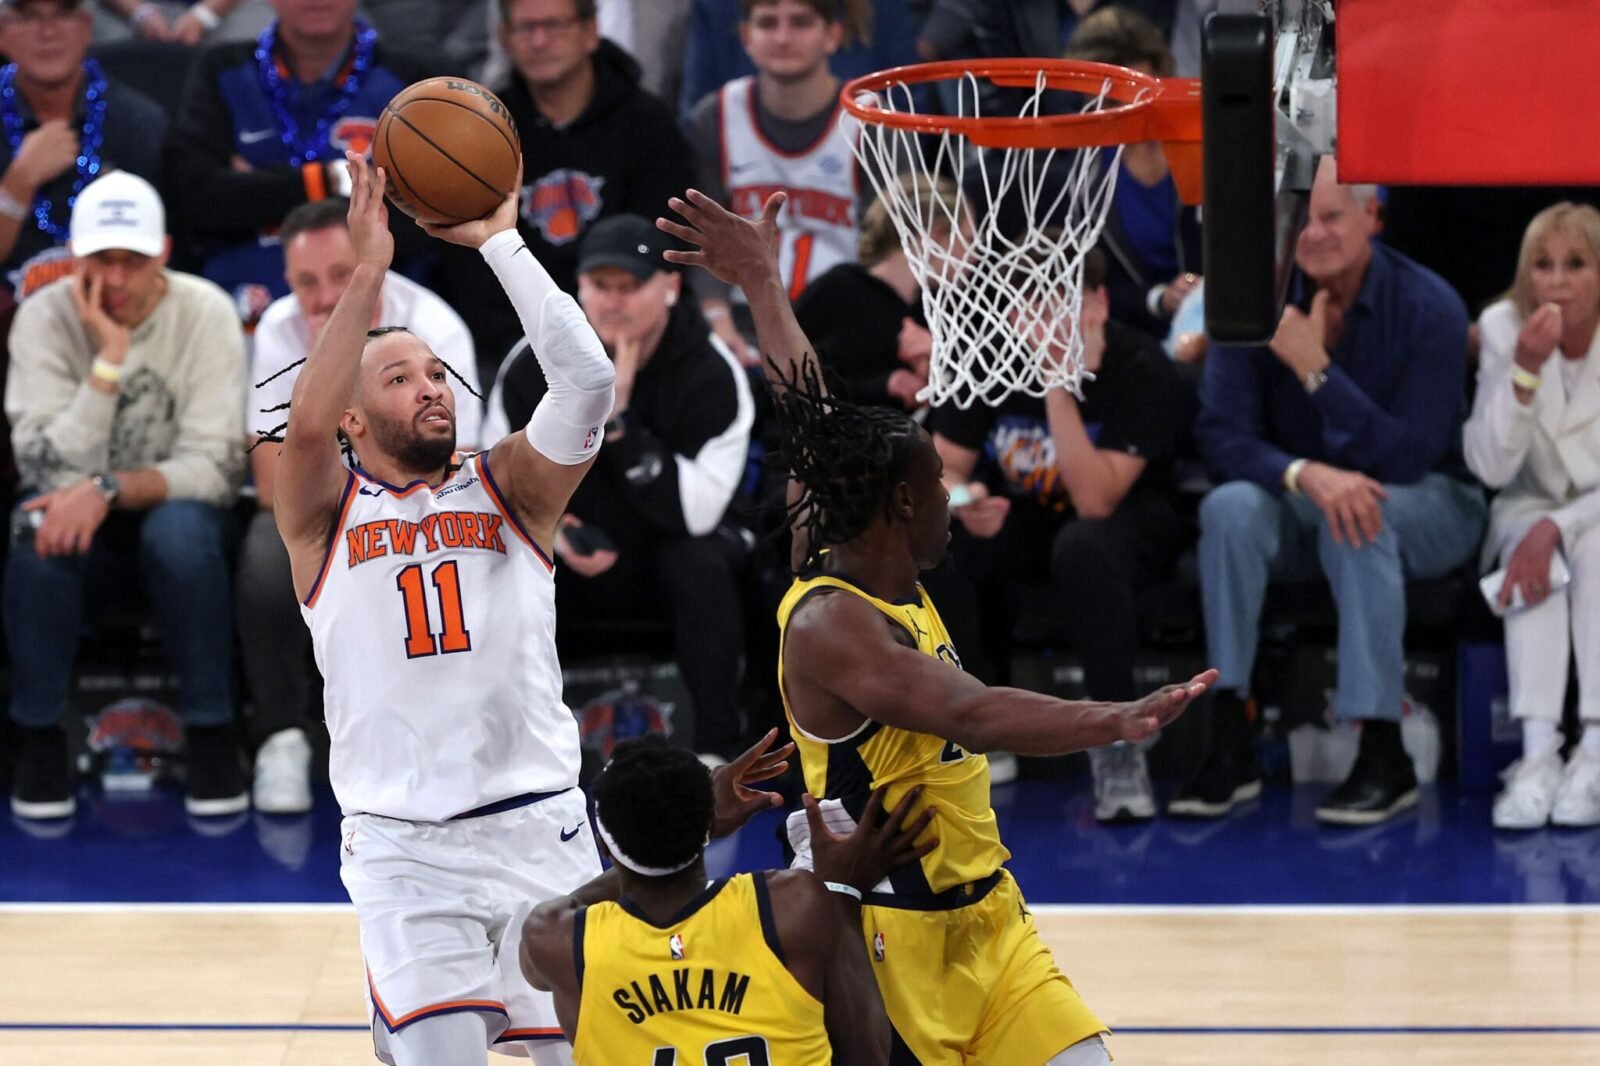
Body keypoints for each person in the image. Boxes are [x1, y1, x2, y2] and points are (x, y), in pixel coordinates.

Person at [659, 186, 1215, 1066]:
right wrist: (1112, 719)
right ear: (903, 505)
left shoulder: (877, 559)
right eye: (938, 485)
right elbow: (972, 713)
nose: (953, 495)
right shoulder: (832, 623)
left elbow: (814, 415)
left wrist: (764, 284)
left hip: (990, 919)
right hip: (886, 938)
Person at [1183, 158, 1487, 826]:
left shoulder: (1430, 306)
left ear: (1372, 217)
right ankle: (1229, 730)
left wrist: (1315, 368)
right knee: (1229, 508)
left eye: (1331, 217)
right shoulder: (1253, 298)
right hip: (1307, 499)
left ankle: (1383, 751)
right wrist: (1305, 474)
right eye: (1302, 220)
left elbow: (1408, 457)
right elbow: (1222, 437)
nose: (1314, 234)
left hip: (1433, 500)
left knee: (1357, 516)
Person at [4, 170, 246, 820]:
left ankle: (213, 731)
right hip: (80, 530)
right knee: (37, 530)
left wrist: (107, 489)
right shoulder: (44, 319)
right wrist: (108, 361)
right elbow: (41, 466)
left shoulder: (205, 313)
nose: (115, 279)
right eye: (100, 260)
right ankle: (37, 736)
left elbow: (217, 468)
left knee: (180, 531)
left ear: (162, 252)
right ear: (73, 256)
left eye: (132, 260)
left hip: (178, 522)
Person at [930, 246, 1192, 822]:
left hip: (1131, 523)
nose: (1041, 323)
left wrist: (1055, 383)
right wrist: (968, 502)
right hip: (1034, 516)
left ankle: (1119, 743)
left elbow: (1096, 501)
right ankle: (980, 722)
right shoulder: (994, 356)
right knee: (947, 541)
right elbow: (941, 468)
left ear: (1098, 305)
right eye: (1027, 307)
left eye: (1057, 305)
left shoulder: (1139, 365)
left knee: (1083, 548)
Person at [240, 195, 483, 814]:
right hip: (328, 512)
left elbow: (457, 464)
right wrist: (324, 375)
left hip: (428, 508)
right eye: (306, 283)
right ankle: (282, 737)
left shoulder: (433, 325)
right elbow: (271, 479)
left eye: (340, 277)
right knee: (265, 552)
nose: (324, 298)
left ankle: (461, 730)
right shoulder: (279, 330)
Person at [483, 213, 754, 764]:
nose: (612, 301)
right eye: (599, 285)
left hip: (668, 546)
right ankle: (509, 753)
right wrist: (554, 533)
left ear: (670, 286)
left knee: (701, 565)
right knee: (498, 557)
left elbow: (697, 512)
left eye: (629, 286)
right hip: (569, 546)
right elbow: (494, 484)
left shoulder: (710, 371)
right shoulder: (530, 364)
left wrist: (619, 422)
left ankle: (716, 752)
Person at [518, 734, 933, 1064]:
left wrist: (696, 830)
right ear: (707, 821)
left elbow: (562, 908)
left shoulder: (558, 943)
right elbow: (869, 1055)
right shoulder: (791, 905)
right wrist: (843, 893)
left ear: (604, 845)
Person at [436, 0, 695, 366]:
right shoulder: (485, 133)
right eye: (525, 28)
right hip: (514, 346)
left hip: (633, 340)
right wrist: (526, 351)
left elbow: (663, 248)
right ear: (503, 39)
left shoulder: (647, 124)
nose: (539, 41)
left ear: (590, 32)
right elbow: (470, 269)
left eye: (554, 25)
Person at [161, 0, 432, 329]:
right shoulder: (221, 69)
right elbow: (199, 201)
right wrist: (340, 181)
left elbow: (419, 221)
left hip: (379, 320)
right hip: (237, 315)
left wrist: (258, 189)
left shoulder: (415, 79)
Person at [1464, 202, 1600, 830]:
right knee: (1531, 552)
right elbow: (1490, 468)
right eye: (1543, 265)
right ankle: (1539, 756)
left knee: (1594, 547)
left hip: (1596, 511)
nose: (1557, 281)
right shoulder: (1502, 327)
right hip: (1525, 504)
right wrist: (1524, 372)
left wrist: (1559, 527)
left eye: (1576, 264)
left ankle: (1594, 753)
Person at [684, 0, 860, 365]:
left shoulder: (869, 120)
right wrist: (717, 322)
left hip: (844, 330)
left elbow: (891, 250)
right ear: (746, 37)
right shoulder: (715, 116)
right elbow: (700, 243)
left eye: (800, 22)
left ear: (832, 35)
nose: (783, 38)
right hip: (743, 325)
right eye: (767, 23)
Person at [0, 0, 169, 301]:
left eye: (63, 14)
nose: (47, 32)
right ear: (2, 32)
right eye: (28, 17)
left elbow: (162, 257)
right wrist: (18, 184)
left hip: (117, 302)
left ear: (87, 27)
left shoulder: (140, 122)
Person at [1065, 7, 1202, 339]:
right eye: (1112, 103)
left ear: (1160, 78)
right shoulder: (1087, 178)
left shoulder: (1204, 147)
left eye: (1140, 96)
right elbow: (1102, 285)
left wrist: (1194, 289)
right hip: (1142, 335)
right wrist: (1159, 299)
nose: (1130, 112)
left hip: (1220, 319)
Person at [793, 174, 968, 413]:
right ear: (936, 236)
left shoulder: (942, 308)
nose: (974, 255)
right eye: (968, 240)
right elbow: (788, 382)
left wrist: (939, 366)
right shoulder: (839, 290)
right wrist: (883, 386)